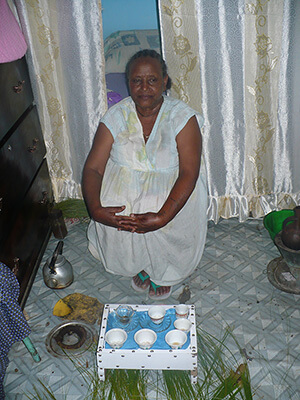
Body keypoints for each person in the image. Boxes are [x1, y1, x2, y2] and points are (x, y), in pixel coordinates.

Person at [82, 49, 207, 300]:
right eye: (136, 80)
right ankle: (139, 262)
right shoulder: (115, 116)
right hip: (124, 191)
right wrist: (95, 209)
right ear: (129, 83)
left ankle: (166, 268)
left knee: (155, 208)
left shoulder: (183, 118)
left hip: (172, 196)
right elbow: (94, 168)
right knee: (120, 207)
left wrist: (162, 216)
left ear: (165, 81)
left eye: (152, 80)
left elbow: (189, 172)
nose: (144, 87)